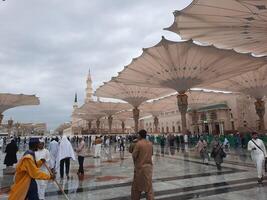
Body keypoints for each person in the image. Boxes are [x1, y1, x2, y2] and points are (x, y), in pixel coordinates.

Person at [131, 130, 153, 200]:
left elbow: (134, 155)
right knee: (149, 188)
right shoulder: (150, 143)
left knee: (136, 188)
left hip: (140, 168)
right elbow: (151, 154)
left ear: (139, 135)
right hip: (148, 168)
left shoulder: (138, 143)